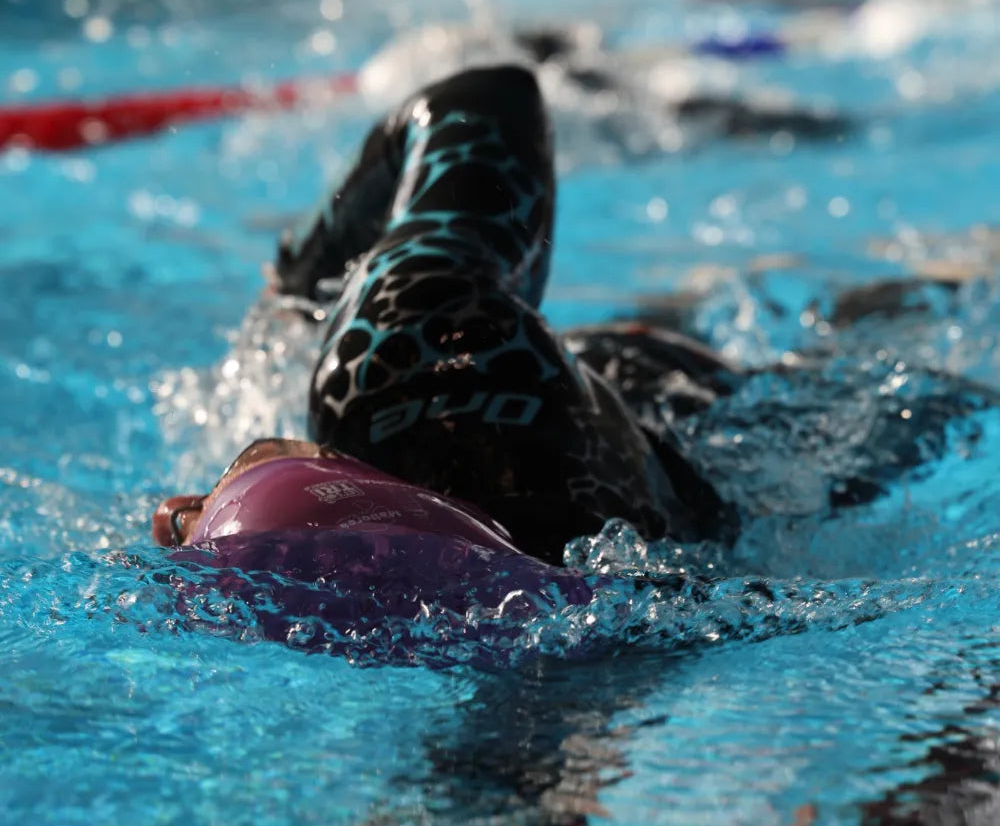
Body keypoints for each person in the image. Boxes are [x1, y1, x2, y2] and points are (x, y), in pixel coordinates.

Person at [155, 64, 731, 578]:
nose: (168, 513)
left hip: (656, 414)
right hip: (696, 398)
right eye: (196, 510)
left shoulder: (398, 343)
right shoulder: (389, 358)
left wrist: (296, 285)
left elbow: (489, 92)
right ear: (327, 465)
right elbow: (482, 104)